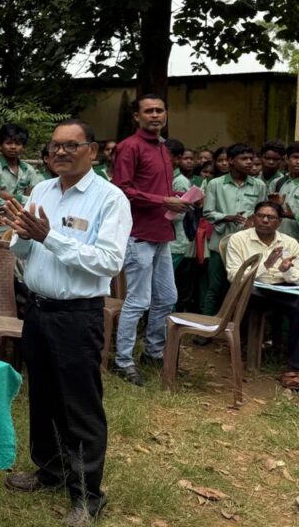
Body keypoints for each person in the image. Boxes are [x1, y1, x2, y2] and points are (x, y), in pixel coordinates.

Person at [2, 118, 131, 527]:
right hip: (38, 310)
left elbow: (108, 262)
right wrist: (24, 235)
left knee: (79, 406)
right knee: (42, 397)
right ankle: (50, 470)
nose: (60, 152)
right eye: (55, 145)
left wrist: (49, 236)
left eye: (71, 145)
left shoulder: (109, 199)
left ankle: (87, 495)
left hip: (77, 315)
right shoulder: (41, 190)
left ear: (92, 150)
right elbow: (22, 250)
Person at [110, 95, 185, 385]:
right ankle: (123, 361)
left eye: (159, 110)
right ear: (136, 117)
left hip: (161, 233)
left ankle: (153, 354)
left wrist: (179, 198)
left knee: (167, 297)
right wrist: (163, 200)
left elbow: (157, 189)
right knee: (138, 300)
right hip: (138, 234)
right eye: (149, 111)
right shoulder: (130, 146)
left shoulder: (163, 147)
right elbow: (121, 190)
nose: (155, 115)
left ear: (166, 114)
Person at [224, 200, 299, 390]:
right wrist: (265, 266)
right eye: (261, 216)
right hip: (252, 289)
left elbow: (297, 276)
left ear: (279, 222)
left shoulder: (290, 242)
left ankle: (295, 368)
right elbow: (234, 276)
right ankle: (247, 352)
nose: (265, 220)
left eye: (271, 217)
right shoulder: (239, 239)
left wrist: (286, 270)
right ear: (253, 218)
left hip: (282, 287)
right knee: (251, 300)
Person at [201, 143, 265, 318]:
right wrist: (227, 217)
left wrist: (254, 221)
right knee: (215, 287)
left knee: (243, 288)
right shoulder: (215, 184)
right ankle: (206, 325)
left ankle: (235, 326)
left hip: (247, 246)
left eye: (251, 158)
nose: (249, 162)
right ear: (231, 160)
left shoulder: (259, 185)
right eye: (244, 158)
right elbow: (208, 212)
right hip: (220, 243)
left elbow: (261, 213)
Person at [0, 123, 42, 238]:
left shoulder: (29, 170)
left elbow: (37, 200)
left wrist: (12, 197)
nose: (13, 147)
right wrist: (25, 199)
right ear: (1, 145)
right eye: (8, 143)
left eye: (18, 143)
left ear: (23, 147)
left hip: (23, 228)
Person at [166, 139, 200, 312]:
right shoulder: (168, 176)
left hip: (175, 241)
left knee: (167, 284)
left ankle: (168, 319)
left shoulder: (179, 181)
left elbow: (179, 213)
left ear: (176, 158)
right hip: (169, 240)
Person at [272, 142, 299, 239]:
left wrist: (294, 216)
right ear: (287, 159)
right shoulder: (277, 182)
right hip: (278, 238)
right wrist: (275, 206)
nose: (298, 162)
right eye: (295, 157)